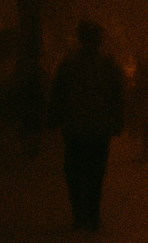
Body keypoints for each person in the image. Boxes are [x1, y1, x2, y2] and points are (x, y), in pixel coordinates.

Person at [48, 20, 126, 231]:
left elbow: (58, 92)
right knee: (95, 172)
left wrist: (55, 117)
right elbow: (117, 94)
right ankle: (92, 214)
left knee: (74, 172)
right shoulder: (108, 64)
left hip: (75, 127)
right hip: (99, 128)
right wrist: (117, 120)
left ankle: (79, 214)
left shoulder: (69, 63)